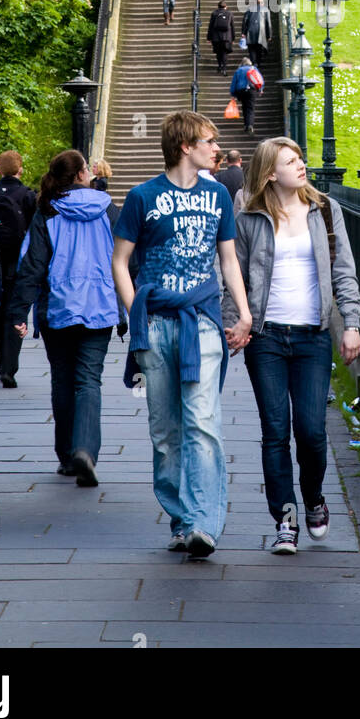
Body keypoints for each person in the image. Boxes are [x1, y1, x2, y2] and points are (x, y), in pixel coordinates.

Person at [111, 111, 252, 559]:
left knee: (203, 422)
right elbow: (119, 261)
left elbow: (228, 260)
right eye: (209, 141)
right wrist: (138, 314)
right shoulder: (142, 196)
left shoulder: (218, 195)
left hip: (202, 322)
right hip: (155, 325)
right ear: (185, 146)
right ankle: (179, 518)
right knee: (166, 430)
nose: (217, 148)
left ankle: (203, 523)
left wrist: (243, 313)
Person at [224, 137, 360, 555]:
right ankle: (285, 519)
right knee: (275, 432)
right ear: (270, 173)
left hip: (312, 337)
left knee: (312, 431)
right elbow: (234, 274)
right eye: (291, 161)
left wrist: (351, 323)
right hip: (265, 338)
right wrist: (235, 323)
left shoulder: (325, 210)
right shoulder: (248, 215)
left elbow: (344, 272)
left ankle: (315, 498)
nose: (301, 165)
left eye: (300, 158)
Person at [8, 150, 120, 488]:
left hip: (58, 306)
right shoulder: (107, 209)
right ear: (83, 174)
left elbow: (32, 264)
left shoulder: (47, 211)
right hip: (99, 307)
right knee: (88, 380)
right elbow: (126, 258)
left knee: (62, 379)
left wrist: (18, 311)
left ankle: (67, 455)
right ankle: (85, 449)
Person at [0, 150, 37, 389]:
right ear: (20, 169)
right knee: (15, 313)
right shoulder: (27, 196)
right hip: (18, 262)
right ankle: (9, 367)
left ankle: (1, 358)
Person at [229, 54, 263, 135]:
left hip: (241, 91)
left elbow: (234, 82)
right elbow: (260, 79)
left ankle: (245, 125)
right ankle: (250, 125)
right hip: (252, 90)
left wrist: (233, 93)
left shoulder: (239, 70)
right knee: (250, 108)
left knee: (244, 107)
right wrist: (260, 89)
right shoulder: (254, 69)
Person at [206, 0, 235, 76]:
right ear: (226, 7)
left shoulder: (214, 13)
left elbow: (211, 26)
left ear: (218, 6)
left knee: (218, 52)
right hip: (226, 37)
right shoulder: (229, 14)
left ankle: (219, 66)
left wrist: (209, 38)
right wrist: (233, 38)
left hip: (216, 37)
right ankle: (224, 68)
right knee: (224, 53)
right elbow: (232, 27)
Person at [242, 0, 272, 68]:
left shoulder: (249, 9)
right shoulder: (265, 10)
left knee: (251, 49)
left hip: (250, 32)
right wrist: (269, 35)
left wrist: (243, 32)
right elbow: (268, 23)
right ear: (262, 3)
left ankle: (254, 62)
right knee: (259, 49)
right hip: (261, 33)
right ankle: (258, 63)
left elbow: (245, 22)